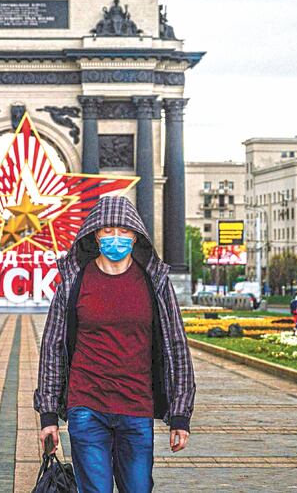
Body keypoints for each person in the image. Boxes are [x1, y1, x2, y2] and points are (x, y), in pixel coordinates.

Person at [34, 195, 195, 493]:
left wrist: (180, 415)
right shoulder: (74, 281)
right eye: (108, 230)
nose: (116, 237)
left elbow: (176, 345)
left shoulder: (155, 282)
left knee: (138, 488)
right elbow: (53, 347)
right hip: (86, 406)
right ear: (95, 234)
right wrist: (48, 415)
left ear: (136, 237)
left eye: (124, 231)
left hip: (136, 406)